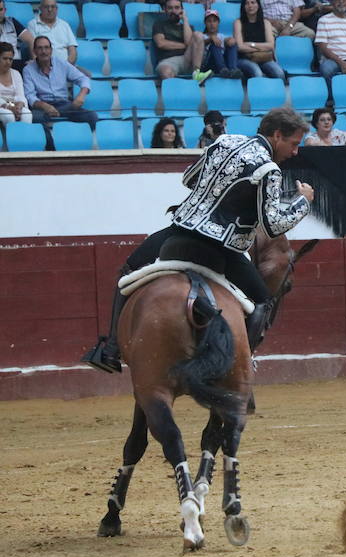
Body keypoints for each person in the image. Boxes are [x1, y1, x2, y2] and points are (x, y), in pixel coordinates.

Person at [82, 107, 315, 374]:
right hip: (221, 248)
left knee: (128, 272)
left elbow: (189, 179)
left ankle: (110, 349)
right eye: (294, 144)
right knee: (262, 302)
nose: (295, 151)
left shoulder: (224, 141)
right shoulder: (268, 169)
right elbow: (273, 225)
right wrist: (302, 202)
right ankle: (238, 365)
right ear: (276, 135)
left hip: (179, 232)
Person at [23, 36, 98, 141]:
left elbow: (83, 78)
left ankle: (76, 142)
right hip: (42, 107)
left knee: (91, 116)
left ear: (51, 50)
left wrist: (82, 94)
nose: (43, 51)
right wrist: (44, 106)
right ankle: (51, 146)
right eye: (40, 48)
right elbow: (30, 96)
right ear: (34, 51)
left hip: (64, 106)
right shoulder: (28, 70)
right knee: (35, 118)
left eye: (46, 47)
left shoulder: (61, 63)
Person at [153, 0, 208, 82]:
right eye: (170, 8)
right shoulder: (159, 24)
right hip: (168, 60)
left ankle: (196, 73)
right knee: (166, 73)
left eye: (177, 8)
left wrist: (185, 20)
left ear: (182, 9)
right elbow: (161, 43)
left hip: (187, 59)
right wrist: (184, 45)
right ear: (165, 9)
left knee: (198, 35)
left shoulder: (188, 27)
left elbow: (189, 42)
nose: (173, 11)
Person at [235, 0, 286, 81]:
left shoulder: (265, 22)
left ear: (258, 5)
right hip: (244, 58)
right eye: (247, 3)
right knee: (257, 74)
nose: (250, 6)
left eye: (253, 2)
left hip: (263, 58)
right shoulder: (238, 22)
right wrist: (262, 47)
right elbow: (240, 47)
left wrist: (251, 44)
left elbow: (271, 45)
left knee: (280, 74)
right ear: (243, 6)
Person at [26, 0, 79, 72]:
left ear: (57, 9)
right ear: (40, 8)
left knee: (86, 76)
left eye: (53, 7)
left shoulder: (64, 25)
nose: (50, 10)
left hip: (66, 67)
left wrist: (65, 67)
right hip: (44, 68)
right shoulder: (32, 25)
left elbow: (73, 51)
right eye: (46, 7)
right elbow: (33, 51)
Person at [200, 9, 242, 80]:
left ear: (218, 22)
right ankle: (222, 69)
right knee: (214, 45)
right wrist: (211, 39)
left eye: (214, 21)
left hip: (222, 64)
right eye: (209, 21)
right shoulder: (201, 36)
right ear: (205, 23)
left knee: (232, 44)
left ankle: (233, 70)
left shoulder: (221, 36)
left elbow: (226, 40)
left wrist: (231, 40)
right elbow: (201, 43)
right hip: (208, 66)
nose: (212, 24)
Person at [0, 41, 30, 124]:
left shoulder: (16, 74)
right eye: (5, 58)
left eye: (10, 59)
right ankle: (9, 137)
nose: (8, 62)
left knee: (27, 114)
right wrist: (8, 106)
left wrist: (19, 106)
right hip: (1, 107)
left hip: (14, 105)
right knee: (8, 115)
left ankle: (25, 137)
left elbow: (21, 95)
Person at [0, 0, 35, 72]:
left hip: (15, 61)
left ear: (5, 10)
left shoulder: (12, 22)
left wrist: (34, 61)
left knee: (31, 69)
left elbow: (30, 40)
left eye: (0, 9)